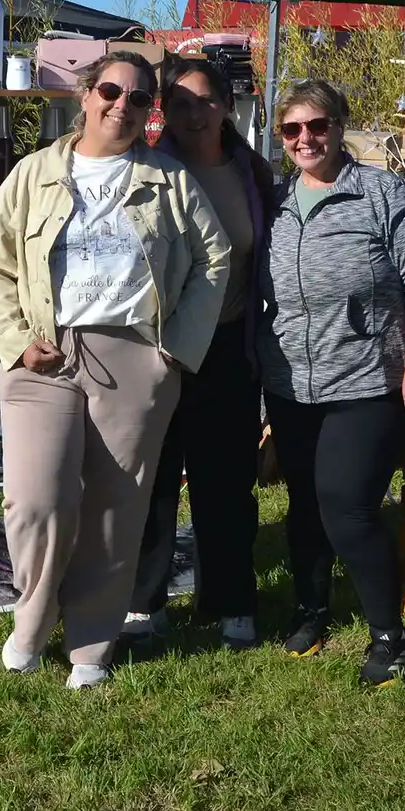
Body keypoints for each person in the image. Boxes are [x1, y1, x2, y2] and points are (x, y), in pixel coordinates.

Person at [0, 50, 230, 689]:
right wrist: (14, 340)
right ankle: (31, 622)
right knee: (36, 500)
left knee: (118, 509)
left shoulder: (168, 181)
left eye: (140, 99)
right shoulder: (35, 175)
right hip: (44, 354)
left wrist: (172, 351)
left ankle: (91, 642)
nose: (123, 105)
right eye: (111, 91)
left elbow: (215, 259)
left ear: (150, 113)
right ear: (86, 96)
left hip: (134, 357)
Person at [258, 79, 405, 687]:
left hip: (367, 380)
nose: (306, 139)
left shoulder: (382, 194)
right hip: (290, 383)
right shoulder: (278, 202)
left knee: (346, 503)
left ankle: (390, 636)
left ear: (341, 127)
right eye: (293, 129)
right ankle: (311, 610)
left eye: (318, 126)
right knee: (304, 506)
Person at [124, 57, 273, 650]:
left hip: (228, 348)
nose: (194, 113)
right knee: (154, 480)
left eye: (205, 100)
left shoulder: (251, 174)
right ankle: (145, 601)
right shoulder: (144, 170)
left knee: (227, 482)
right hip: (154, 352)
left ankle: (231, 598)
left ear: (227, 107)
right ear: (164, 110)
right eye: (180, 103)